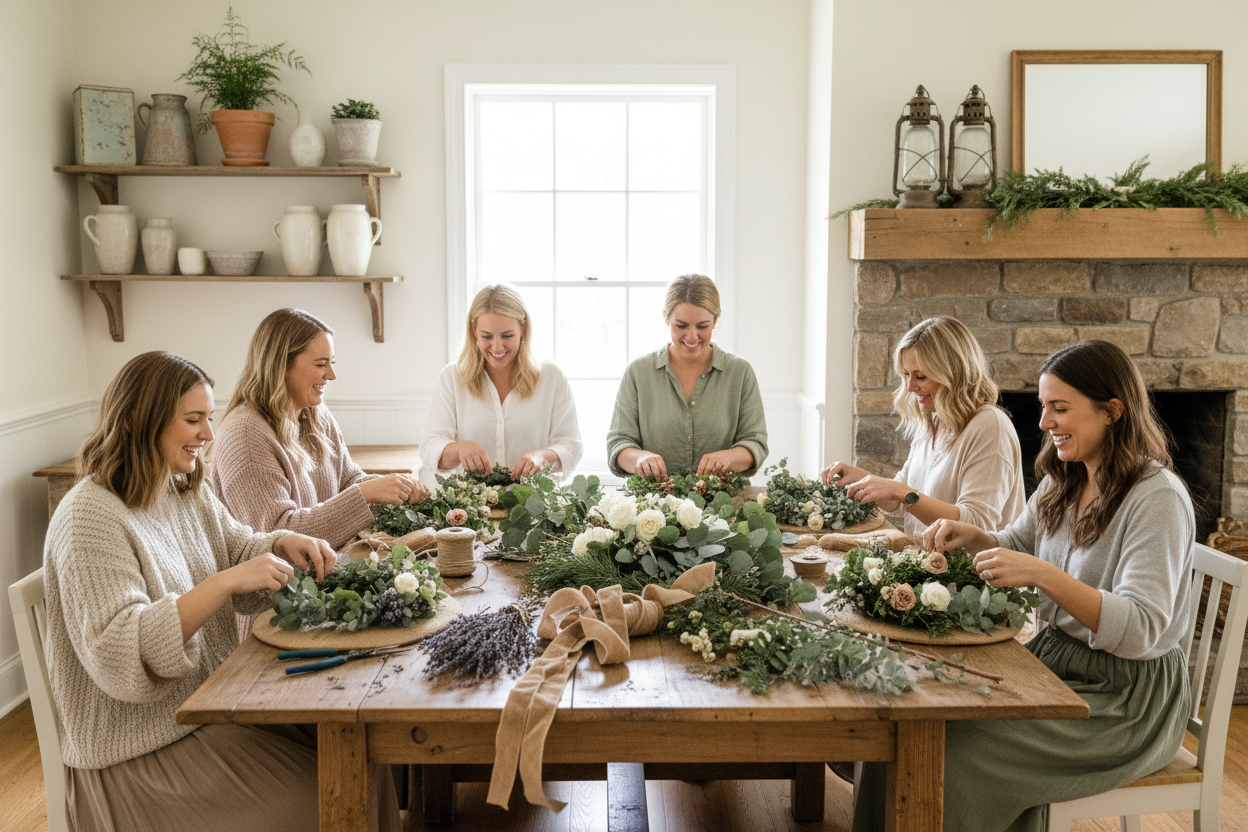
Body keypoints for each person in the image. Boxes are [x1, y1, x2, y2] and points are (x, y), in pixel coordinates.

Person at [43, 351, 401, 832]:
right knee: (343, 792)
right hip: (140, 753)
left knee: (366, 759)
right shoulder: (89, 517)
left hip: (209, 708)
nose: (209, 434)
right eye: (193, 420)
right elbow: (119, 652)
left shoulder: (177, 486)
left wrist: (280, 543)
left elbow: (236, 546)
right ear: (135, 421)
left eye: (208, 418)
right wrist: (224, 583)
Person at [853, 340, 1194, 832]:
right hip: (1055, 665)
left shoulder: (1156, 498)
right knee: (906, 728)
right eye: (1042, 407)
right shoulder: (1067, 477)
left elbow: (1141, 628)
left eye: (1060, 408)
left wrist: (1042, 575)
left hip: (1124, 702)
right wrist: (974, 538)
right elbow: (1015, 542)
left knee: (954, 756)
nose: (1043, 423)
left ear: (1112, 412)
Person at [213, 309, 428, 639]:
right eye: (320, 364)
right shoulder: (246, 434)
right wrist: (367, 494)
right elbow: (277, 538)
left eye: (332, 362)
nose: (331, 375)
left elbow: (348, 480)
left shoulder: (314, 414)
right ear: (280, 364)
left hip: (322, 595)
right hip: (271, 617)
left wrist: (391, 487)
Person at [822, 316, 1025, 540]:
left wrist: (902, 492)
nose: (909, 387)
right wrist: (863, 480)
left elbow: (977, 524)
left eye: (920, 376)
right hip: (926, 564)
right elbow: (904, 502)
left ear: (953, 373)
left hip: (974, 572)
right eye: (906, 375)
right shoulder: (932, 420)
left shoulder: (990, 427)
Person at [607, 273, 767, 479]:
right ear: (666, 318)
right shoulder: (638, 372)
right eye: (681, 325)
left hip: (724, 504)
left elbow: (755, 442)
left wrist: (729, 458)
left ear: (716, 320)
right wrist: (638, 458)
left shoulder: (740, 372)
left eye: (703, 326)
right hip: (652, 507)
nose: (692, 336)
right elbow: (618, 443)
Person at [420, 284, 583, 484]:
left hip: (534, 508)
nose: (497, 347)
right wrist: (459, 448)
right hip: (471, 507)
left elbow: (572, 445)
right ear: (474, 332)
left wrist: (544, 456)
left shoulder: (551, 377)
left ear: (523, 329)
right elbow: (429, 447)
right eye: (486, 336)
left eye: (507, 336)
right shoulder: (453, 377)